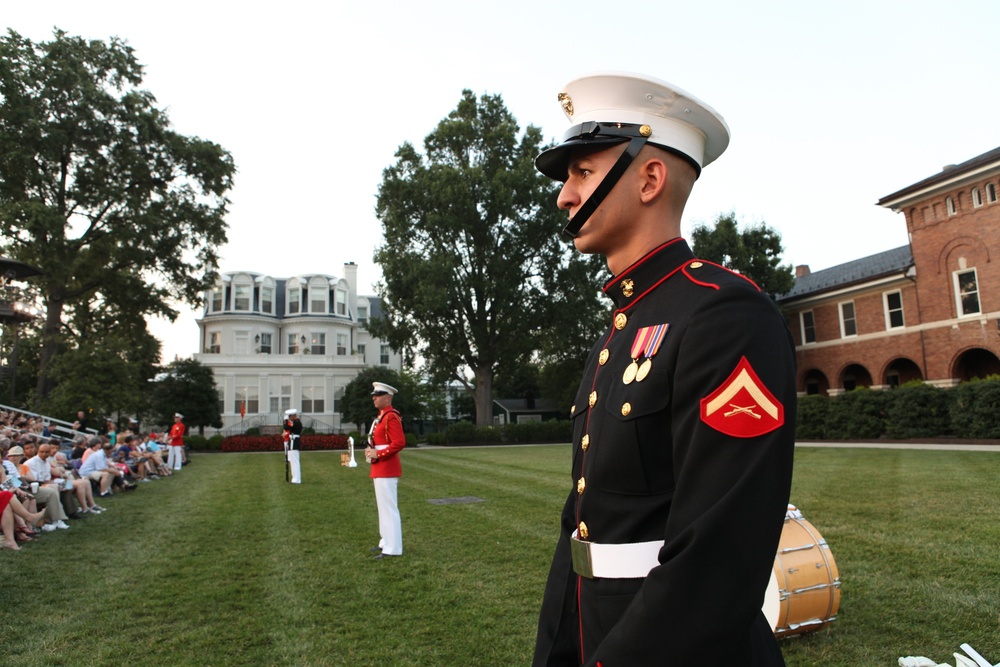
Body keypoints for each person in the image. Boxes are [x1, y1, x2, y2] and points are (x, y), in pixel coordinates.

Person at [530, 72, 797, 666]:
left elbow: (721, 552)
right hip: (591, 615)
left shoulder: (724, 314)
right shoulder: (626, 322)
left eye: (582, 172)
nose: (564, 196)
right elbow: (582, 519)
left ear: (649, 178)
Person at [364, 382, 405, 559]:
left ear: (388, 398)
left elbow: (399, 442)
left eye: (378, 395)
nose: (374, 398)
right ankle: (385, 542)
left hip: (386, 466)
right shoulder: (382, 416)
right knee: (383, 508)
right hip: (380, 465)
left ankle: (393, 547)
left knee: (389, 508)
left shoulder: (391, 416)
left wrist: (378, 453)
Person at [283, 409, 303, 484]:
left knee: (295, 461)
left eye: (290, 417)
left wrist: (285, 421)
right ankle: (295, 478)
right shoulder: (296, 423)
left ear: (292, 416)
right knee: (293, 461)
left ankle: (296, 479)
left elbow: (287, 428)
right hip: (292, 441)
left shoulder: (297, 423)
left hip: (294, 441)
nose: (289, 418)